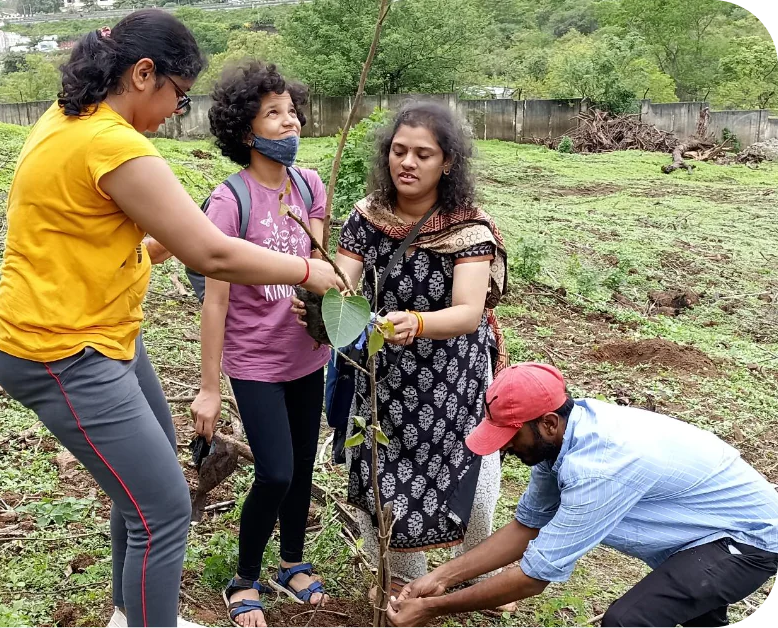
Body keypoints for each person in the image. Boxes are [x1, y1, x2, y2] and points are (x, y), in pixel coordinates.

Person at [0, 11, 342, 628]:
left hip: (104, 331)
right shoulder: (111, 141)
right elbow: (213, 255)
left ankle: (132, 614)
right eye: (177, 92)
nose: (177, 109)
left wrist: (153, 248)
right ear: (143, 74)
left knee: (144, 487)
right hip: (61, 350)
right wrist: (308, 272)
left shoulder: (68, 117)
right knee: (164, 509)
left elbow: (82, 231)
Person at [293, 101, 511, 604]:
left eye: (422, 154)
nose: (407, 163)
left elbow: (467, 314)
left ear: (447, 163)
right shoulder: (367, 217)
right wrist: (320, 305)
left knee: (467, 473)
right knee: (385, 473)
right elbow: (343, 285)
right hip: (383, 373)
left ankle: (475, 572)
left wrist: (415, 322)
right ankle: (401, 577)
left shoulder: (469, 230)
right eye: (398, 151)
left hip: (453, 375)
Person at [386, 362, 778, 628]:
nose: (504, 448)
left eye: (510, 437)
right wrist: (440, 578)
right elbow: (528, 527)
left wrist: (433, 609)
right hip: (700, 537)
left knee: (627, 621)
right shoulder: (561, 441)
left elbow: (533, 577)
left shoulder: (600, 467)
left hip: (746, 540)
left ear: (549, 423)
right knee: (694, 614)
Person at [189, 60, 331, 628]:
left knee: (301, 468)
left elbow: (321, 269)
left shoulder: (310, 185)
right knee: (274, 471)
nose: (288, 123)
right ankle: (244, 576)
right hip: (256, 361)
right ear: (244, 130)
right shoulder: (230, 201)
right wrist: (208, 388)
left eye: (291, 111)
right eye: (272, 114)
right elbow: (215, 301)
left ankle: (292, 562)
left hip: (308, 355)